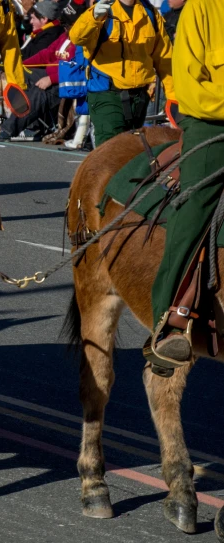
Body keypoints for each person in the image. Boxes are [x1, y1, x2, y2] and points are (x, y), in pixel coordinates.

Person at [149, 0, 224, 365]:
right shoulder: (201, 9)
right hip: (213, 124)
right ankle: (168, 323)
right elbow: (192, 90)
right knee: (194, 206)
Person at [69, 0, 175, 147]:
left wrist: (174, 97)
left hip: (139, 98)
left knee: (133, 153)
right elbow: (77, 37)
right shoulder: (104, 10)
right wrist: (93, 17)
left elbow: (165, 58)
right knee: (110, 153)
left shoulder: (150, 13)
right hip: (107, 94)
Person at [1, 5, 80, 141]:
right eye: (63, 23)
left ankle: (10, 128)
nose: (64, 27)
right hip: (50, 74)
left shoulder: (81, 42)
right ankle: (12, 119)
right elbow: (47, 54)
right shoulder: (64, 36)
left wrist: (51, 79)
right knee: (17, 74)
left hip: (64, 81)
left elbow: (77, 68)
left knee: (40, 91)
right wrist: (19, 66)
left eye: (67, 24)